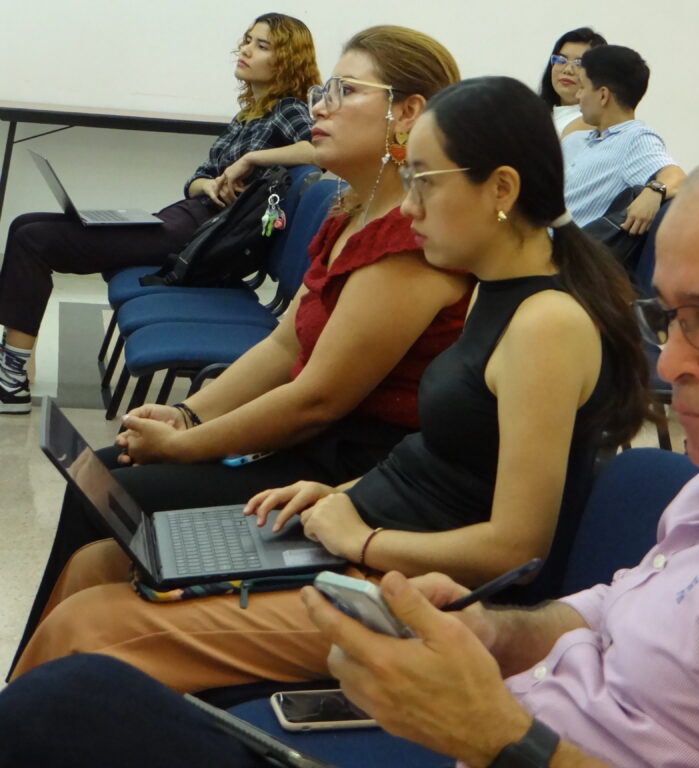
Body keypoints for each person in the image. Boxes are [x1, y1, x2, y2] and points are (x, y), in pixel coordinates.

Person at [0, 143, 699, 768]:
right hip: (487, 720)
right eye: (666, 317)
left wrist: (499, 735)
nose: (671, 361)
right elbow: (621, 608)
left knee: (70, 703)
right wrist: (501, 635)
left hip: (498, 744)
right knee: (77, 685)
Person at [9, 75, 652, 694]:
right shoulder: (493, 287)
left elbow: (518, 547)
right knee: (96, 565)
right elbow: (447, 459)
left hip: (420, 587)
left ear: (501, 188)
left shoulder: (548, 323)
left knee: (86, 624)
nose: (411, 205)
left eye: (426, 181)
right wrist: (339, 494)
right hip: (361, 525)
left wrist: (361, 536)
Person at [6, 23, 469, 677]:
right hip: (303, 421)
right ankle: (42, 684)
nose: (322, 105)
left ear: (408, 112)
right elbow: (286, 341)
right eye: (322, 88)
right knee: (102, 480)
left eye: (345, 90)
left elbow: (318, 399)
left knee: (111, 482)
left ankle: (40, 690)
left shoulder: (408, 238)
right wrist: (190, 416)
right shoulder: (348, 208)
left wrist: (191, 442)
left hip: (348, 465)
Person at [0, 13, 321, 414]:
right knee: (24, 224)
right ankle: (11, 363)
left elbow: (320, 150)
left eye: (261, 45)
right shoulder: (248, 115)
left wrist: (252, 158)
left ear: (288, 60)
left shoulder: (288, 109)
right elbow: (198, 178)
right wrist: (209, 183)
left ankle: (10, 379)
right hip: (185, 217)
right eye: (246, 40)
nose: (245, 49)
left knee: (35, 239)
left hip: (201, 238)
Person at [562, 44, 684, 235]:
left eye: (582, 87)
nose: (578, 96)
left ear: (603, 95)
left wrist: (655, 190)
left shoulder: (634, 139)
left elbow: (677, 177)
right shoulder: (573, 141)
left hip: (561, 257)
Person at [537, 27, 607, 138]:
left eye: (579, 63)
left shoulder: (588, 125)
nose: (568, 70)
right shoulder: (536, 112)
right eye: (561, 60)